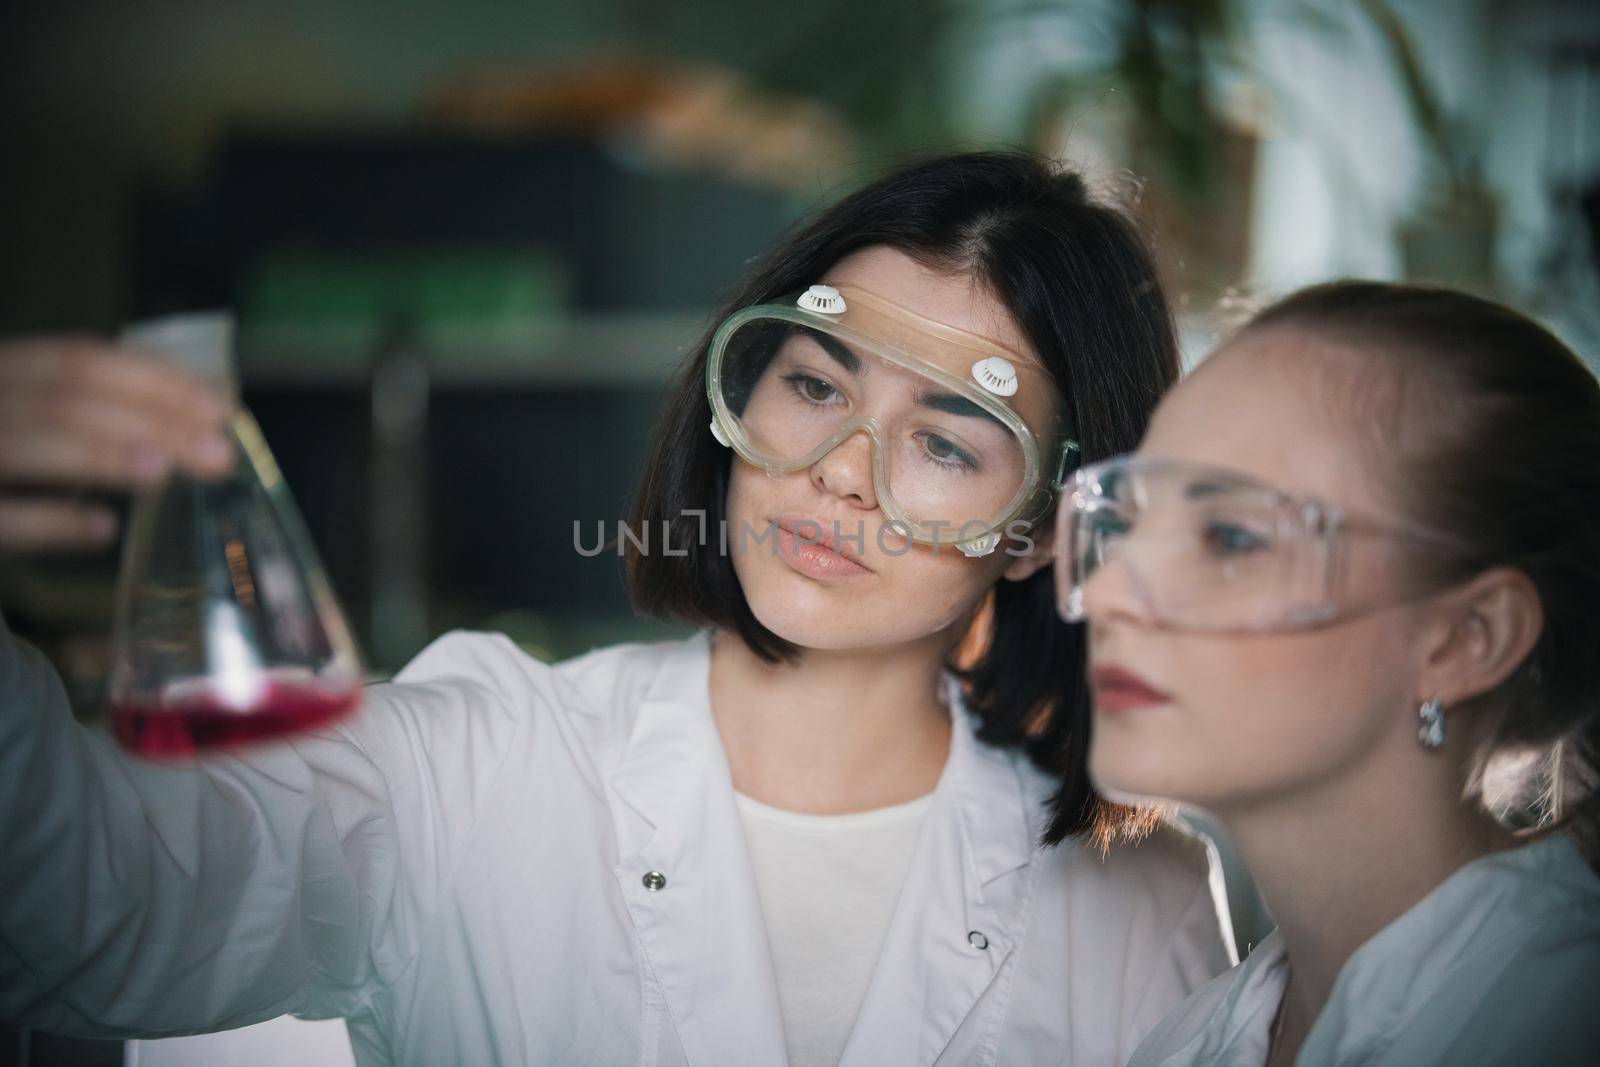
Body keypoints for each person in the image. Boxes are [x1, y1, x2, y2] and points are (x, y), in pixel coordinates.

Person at [0, 151, 1234, 1066]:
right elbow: (81, 904)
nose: (842, 467)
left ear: (1037, 532)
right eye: (813, 380)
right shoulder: (477, 755)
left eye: (948, 444)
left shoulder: (1143, 899)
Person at [1056, 280, 1600, 1066]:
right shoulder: (1188, 1040)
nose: (1108, 593)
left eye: (1233, 538)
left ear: (1464, 638)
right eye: (1129, 521)